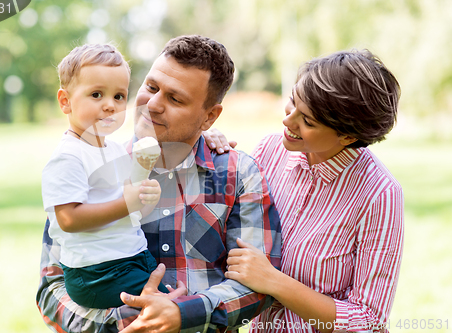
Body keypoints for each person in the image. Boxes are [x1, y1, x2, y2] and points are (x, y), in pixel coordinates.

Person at [36, 35, 282, 332]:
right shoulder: (98, 165)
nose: (152, 105)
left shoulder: (238, 174)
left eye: (174, 98)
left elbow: (257, 287)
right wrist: (131, 323)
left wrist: (182, 314)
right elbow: (52, 288)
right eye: (151, 87)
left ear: (210, 117)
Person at [204, 49, 404, 333]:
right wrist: (208, 148)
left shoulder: (380, 193)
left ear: (347, 136)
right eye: (292, 101)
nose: (288, 120)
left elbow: (368, 320)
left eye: (308, 121)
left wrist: (274, 281)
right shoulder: (269, 151)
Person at [42, 43, 170, 310]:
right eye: (97, 94)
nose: (110, 106)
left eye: (119, 96)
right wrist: (127, 203)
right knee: (171, 307)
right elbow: (69, 219)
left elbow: (131, 213)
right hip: (96, 272)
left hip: (129, 258)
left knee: (174, 299)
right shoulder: (69, 156)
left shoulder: (114, 150)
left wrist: (145, 198)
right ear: (66, 101)